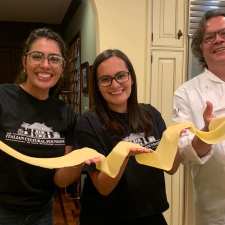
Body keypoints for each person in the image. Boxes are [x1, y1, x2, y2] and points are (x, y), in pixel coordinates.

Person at [74, 49, 179, 225]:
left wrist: (181, 143)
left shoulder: (150, 114)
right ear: (97, 86)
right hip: (106, 218)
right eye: (105, 80)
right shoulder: (88, 123)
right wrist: (122, 153)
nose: (115, 85)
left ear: (131, 78)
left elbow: (170, 167)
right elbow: (103, 187)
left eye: (121, 76)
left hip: (151, 214)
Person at [0, 27, 88, 225]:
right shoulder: (2, 97)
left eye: (54, 59)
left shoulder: (66, 114)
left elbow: (61, 180)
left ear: (62, 67)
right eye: (37, 56)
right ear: (25, 62)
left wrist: (81, 156)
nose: (45, 65)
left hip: (42, 213)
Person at [173, 9, 225, 225]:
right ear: (200, 48)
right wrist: (207, 132)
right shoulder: (186, 93)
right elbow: (185, 153)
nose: (218, 40)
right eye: (209, 37)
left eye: (223, 33)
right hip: (215, 208)